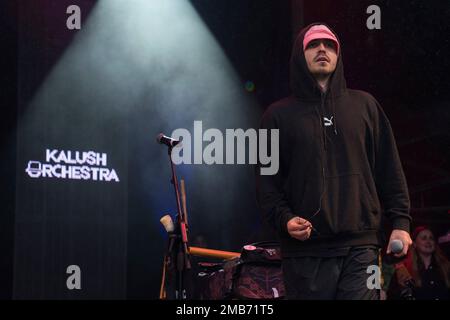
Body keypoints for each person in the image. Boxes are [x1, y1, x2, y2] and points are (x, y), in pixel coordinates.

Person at [255, 23, 412, 300]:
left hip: (360, 246)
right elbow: (266, 183)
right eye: (313, 45)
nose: (322, 50)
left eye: (330, 45)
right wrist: (285, 219)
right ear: (299, 56)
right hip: (305, 252)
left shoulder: (366, 106)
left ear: (338, 56)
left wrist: (400, 222)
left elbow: (390, 169)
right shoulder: (277, 115)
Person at [389, 226, 450, 300]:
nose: (428, 241)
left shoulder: (446, 267)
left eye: (431, 238)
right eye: (424, 238)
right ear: (414, 244)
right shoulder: (405, 269)